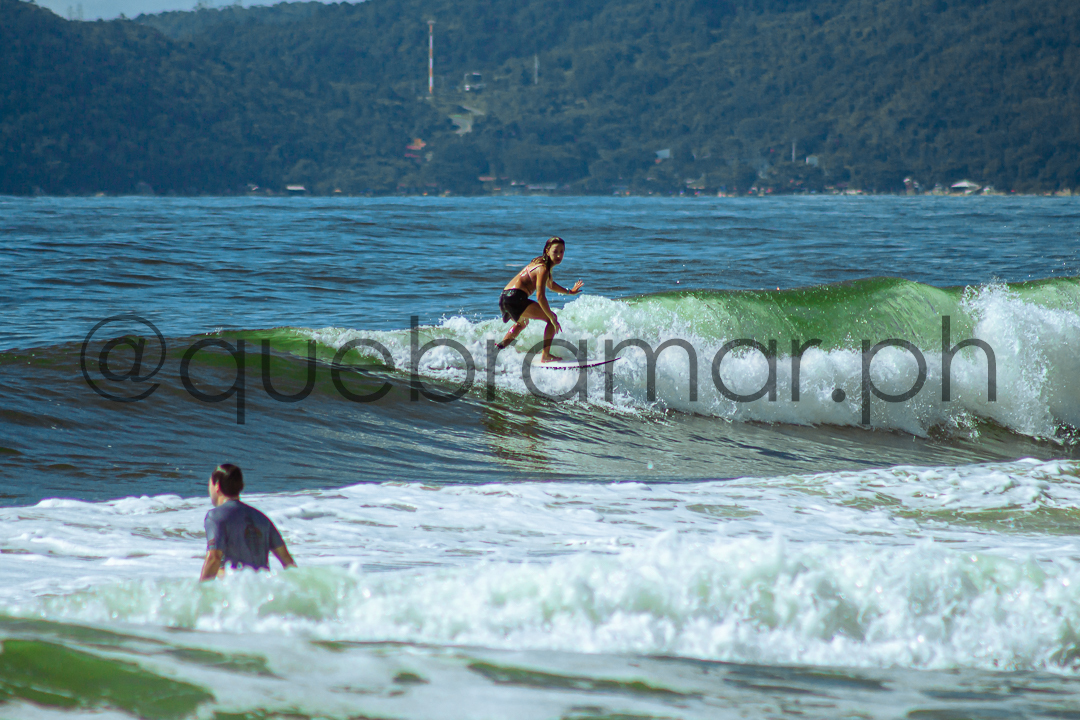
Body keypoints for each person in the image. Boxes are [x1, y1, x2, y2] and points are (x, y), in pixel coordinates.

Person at [199, 463, 296, 581]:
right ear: (241, 486)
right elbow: (288, 561)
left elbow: (214, 558)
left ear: (217, 486)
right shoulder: (262, 518)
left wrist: (201, 589)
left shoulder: (215, 517)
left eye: (209, 484)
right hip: (261, 588)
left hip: (235, 588)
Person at [497, 236, 584, 362]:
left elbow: (551, 285)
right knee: (551, 320)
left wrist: (569, 292)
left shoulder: (540, 265)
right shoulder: (543, 269)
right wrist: (552, 317)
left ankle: (499, 348)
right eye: (555, 251)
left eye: (562, 252)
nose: (559, 255)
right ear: (547, 251)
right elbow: (540, 296)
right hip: (516, 297)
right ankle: (546, 355)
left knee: (521, 323)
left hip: (505, 297)